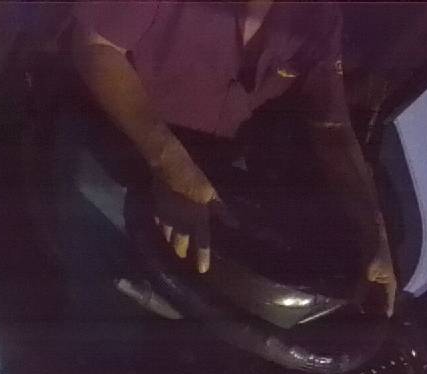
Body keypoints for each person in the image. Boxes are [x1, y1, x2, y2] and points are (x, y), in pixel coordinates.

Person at [68, 1, 397, 315]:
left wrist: (374, 235)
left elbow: (332, 128)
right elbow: (96, 47)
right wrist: (171, 165)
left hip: (206, 183)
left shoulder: (319, 17)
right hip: (109, 151)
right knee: (98, 299)